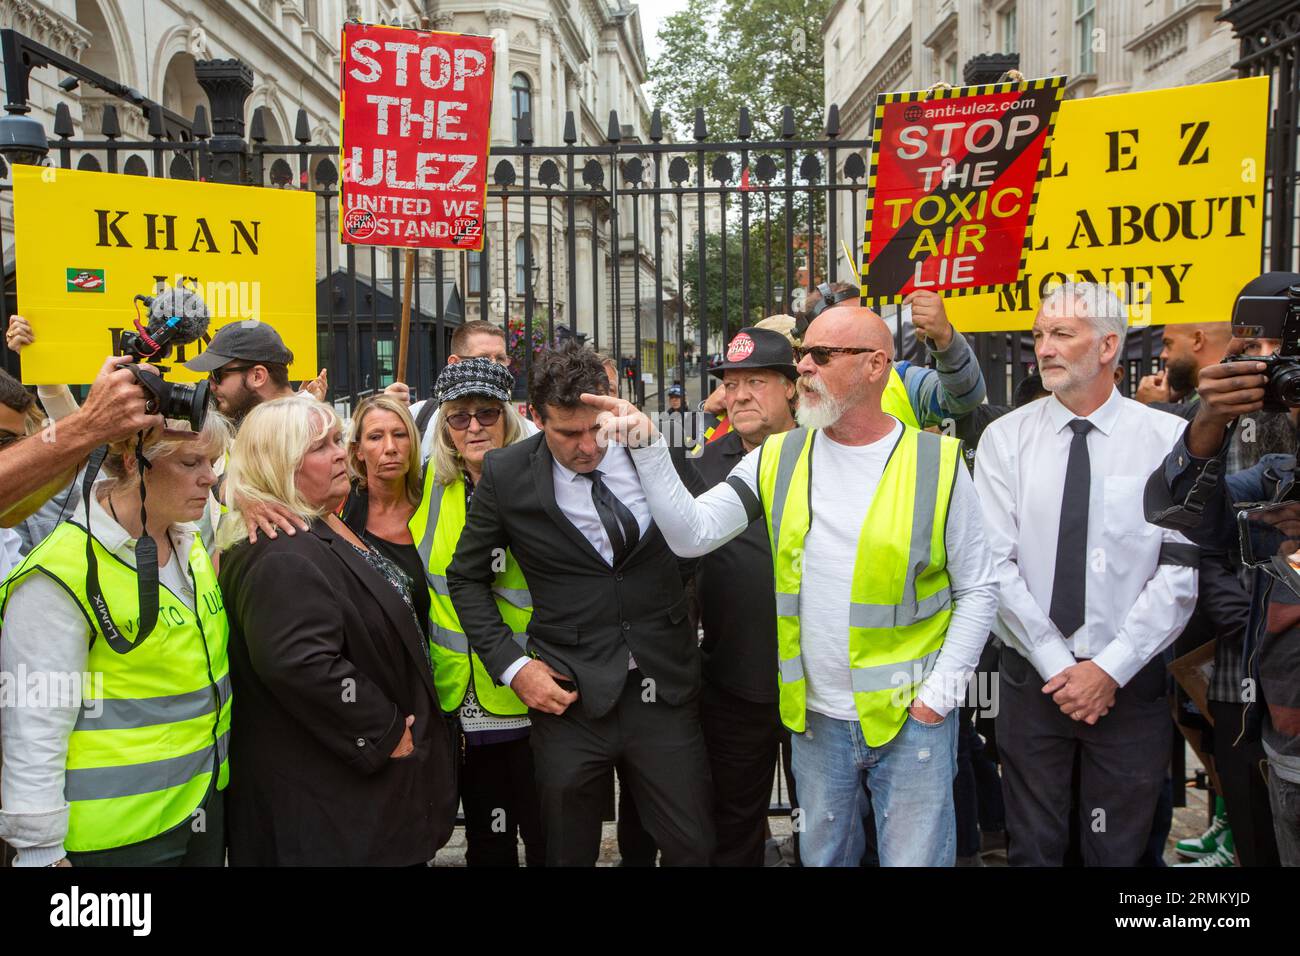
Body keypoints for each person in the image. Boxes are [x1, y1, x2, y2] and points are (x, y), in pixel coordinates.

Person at [592, 302, 1000, 867]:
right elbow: (692, 534)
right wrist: (648, 447)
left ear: (876, 365)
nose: (804, 366)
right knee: (824, 858)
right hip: (815, 722)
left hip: (911, 721)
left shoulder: (939, 462)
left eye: (822, 355)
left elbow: (979, 589)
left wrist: (938, 699)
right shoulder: (777, 457)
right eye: (804, 353)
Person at [446, 342, 714, 867]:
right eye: (568, 433)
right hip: (569, 697)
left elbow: (698, 536)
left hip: (662, 687)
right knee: (566, 852)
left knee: (693, 846)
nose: (587, 446)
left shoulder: (656, 452)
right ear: (535, 417)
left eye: (596, 429)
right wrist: (515, 668)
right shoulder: (509, 473)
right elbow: (465, 578)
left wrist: (665, 606)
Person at [974, 282, 1199, 866]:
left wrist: (1108, 669)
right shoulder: (1006, 440)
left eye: (1060, 335)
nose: (1043, 348)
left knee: (1119, 854)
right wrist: (1059, 666)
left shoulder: (1168, 439)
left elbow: (1178, 571)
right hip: (1034, 684)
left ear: (1107, 347)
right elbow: (994, 567)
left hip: (1130, 686)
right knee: (1035, 850)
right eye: (1040, 335)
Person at [217, 395, 457, 865]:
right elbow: (301, 663)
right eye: (320, 446)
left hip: (358, 795)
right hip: (331, 805)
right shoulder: (282, 553)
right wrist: (385, 730)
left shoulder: (319, 521)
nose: (338, 454)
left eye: (336, 440)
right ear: (281, 464)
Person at [0, 411, 233, 866]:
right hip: (113, 837)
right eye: (191, 464)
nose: (209, 478)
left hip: (200, 805)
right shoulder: (61, 572)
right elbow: (34, 722)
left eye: (213, 462)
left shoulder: (190, 542)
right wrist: (40, 851)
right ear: (132, 462)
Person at [342, 365, 544, 867]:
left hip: (535, 689)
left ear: (510, 415)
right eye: (458, 417)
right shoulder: (432, 485)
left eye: (487, 413)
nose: (473, 426)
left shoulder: (544, 483)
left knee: (550, 834)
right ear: (444, 427)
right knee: (487, 835)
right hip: (464, 698)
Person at [1143, 271, 1300, 866]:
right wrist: (1209, 419)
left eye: (1276, 353)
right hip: (1269, 724)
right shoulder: (1277, 478)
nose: (1271, 369)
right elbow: (1173, 509)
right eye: (1255, 354)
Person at [693, 326, 801, 865]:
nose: (739, 396)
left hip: (821, 689)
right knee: (734, 827)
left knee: (830, 826)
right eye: (731, 385)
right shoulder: (703, 468)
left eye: (755, 381)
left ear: (793, 387)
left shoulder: (829, 453)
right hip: (734, 685)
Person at [800, 283, 986, 428]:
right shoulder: (788, 388)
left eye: (868, 316)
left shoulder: (903, 381)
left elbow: (964, 398)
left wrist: (945, 337)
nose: (865, 325)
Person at [182, 321, 324, 423]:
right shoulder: (302, 422)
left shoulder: (305, 435)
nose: (211, 385)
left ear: (258, 376)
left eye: (217, 374)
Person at [1136, 322, 1233, 409]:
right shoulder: (1230, 392)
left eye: (1168, 343)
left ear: (1198, 340)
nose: (1163, 355)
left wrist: (1153, 408)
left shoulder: (1218, 402)